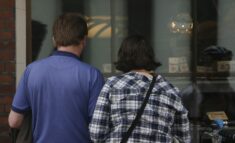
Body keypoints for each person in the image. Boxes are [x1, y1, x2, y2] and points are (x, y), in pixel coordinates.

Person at [8, 13, 105, 143]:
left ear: (54, 40)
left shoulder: (31, 71)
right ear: (84, 40)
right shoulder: (93, 75)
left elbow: (14, 122)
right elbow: (98, 127)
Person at [89, 35, 191, 143]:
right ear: (151, 57)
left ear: (122, 57)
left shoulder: (112, 84)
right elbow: (183, 138)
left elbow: (96, 133)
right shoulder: (171, 90)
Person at [181, 46, 235, 143]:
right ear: (207, 68)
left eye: (227, 66)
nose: (226, 71)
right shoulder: (192, 94)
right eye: (221, 66)